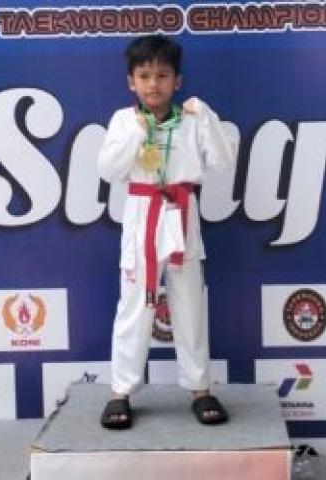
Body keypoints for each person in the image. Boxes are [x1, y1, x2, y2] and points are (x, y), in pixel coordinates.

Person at [98, 34, 235, 429]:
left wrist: (205, 117)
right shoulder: (123, 120)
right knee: (134, 307)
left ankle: (200, 389)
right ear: (131, 82)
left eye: (162, 75)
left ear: (178, 81)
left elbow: (223, 162)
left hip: (181, 213)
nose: (153, 84)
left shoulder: (192, 119)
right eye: (144, 76)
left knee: (190, 305)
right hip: (142, 216)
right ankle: (120, 391)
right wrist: (137, 132)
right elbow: (109, 170)